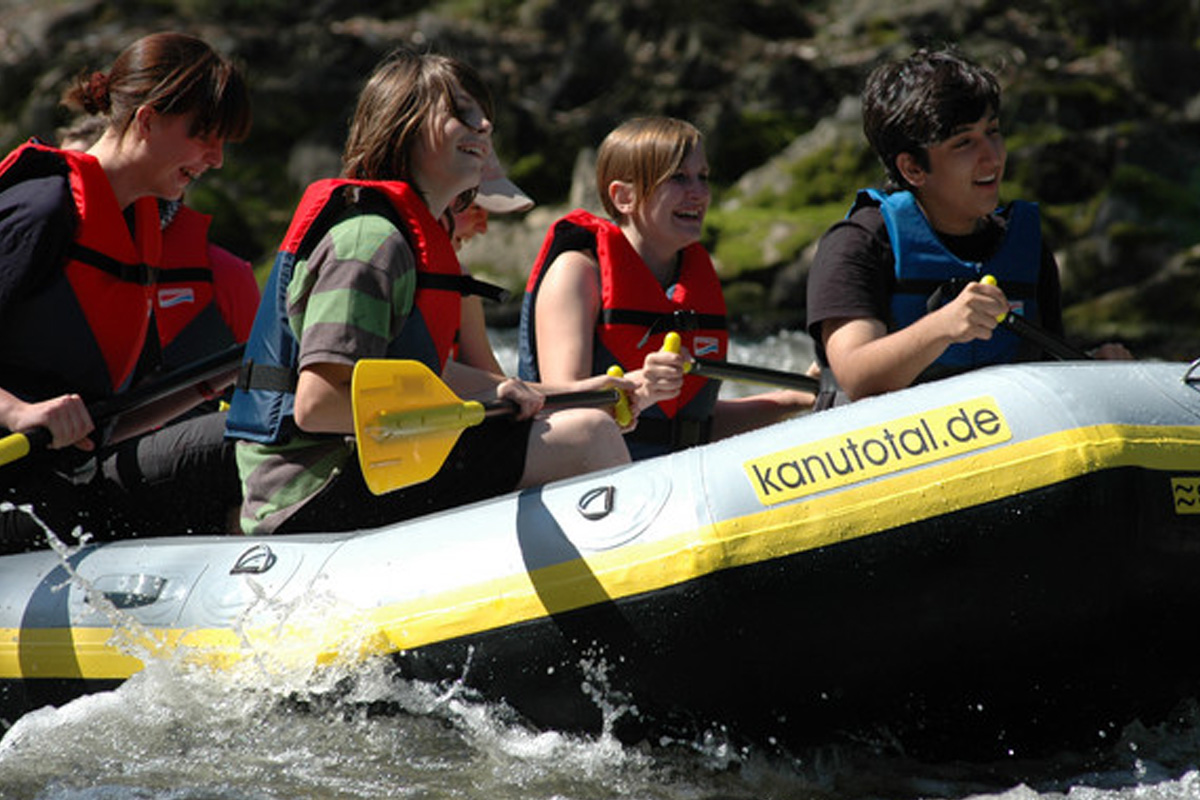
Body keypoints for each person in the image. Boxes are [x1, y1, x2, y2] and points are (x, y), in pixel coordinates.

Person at [225, 48, 632, 535]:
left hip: (378, 468)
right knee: (587, 436)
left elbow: (424, 373)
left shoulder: (413, 243)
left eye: (485, 117)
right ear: (404, 124)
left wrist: (567, 392)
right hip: (310, 493)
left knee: (585, 415)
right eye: (462, 114)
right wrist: (465, 415)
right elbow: (318, 404)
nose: (482, 127)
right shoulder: (370, 243)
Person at [0, 32, 252, 550]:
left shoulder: (138, 230)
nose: (216, 159)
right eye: (204, 135)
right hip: (13, 492)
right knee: (235, 447)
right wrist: (16, 412)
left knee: (262, 435)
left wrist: (222, 376)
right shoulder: (42, 209)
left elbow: (119, 419)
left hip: (65, 477)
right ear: (147, 120)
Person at [806, 46, 1131, 411]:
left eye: (992, 132)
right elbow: (857, 375)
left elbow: (1048, 377)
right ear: (913, 168)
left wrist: (1097, 372)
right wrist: (942, 327)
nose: (992, 156)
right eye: (964, 142)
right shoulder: (858, 244)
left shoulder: (1026, 247)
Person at [517, 116, 814, 461]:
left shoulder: (689, 281)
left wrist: (797, 397)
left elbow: (695, 426)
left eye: (703, 177)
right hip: (593, 483)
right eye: (678, 177)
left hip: (676, 475)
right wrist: (640, 389)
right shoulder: (577, 274)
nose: (699, 193)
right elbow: (566, 416)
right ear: (624, 196)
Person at [58, 114, 261, 378]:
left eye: (90, 178)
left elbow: (265, 384)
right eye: (68, 176)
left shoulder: (227, 275)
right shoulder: (47, 241)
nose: (72, 192)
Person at [448, 149, 535, 375]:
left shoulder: (461, 282)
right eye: (475, 207)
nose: (483, 227)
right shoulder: (388, 262)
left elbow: (492, 379)